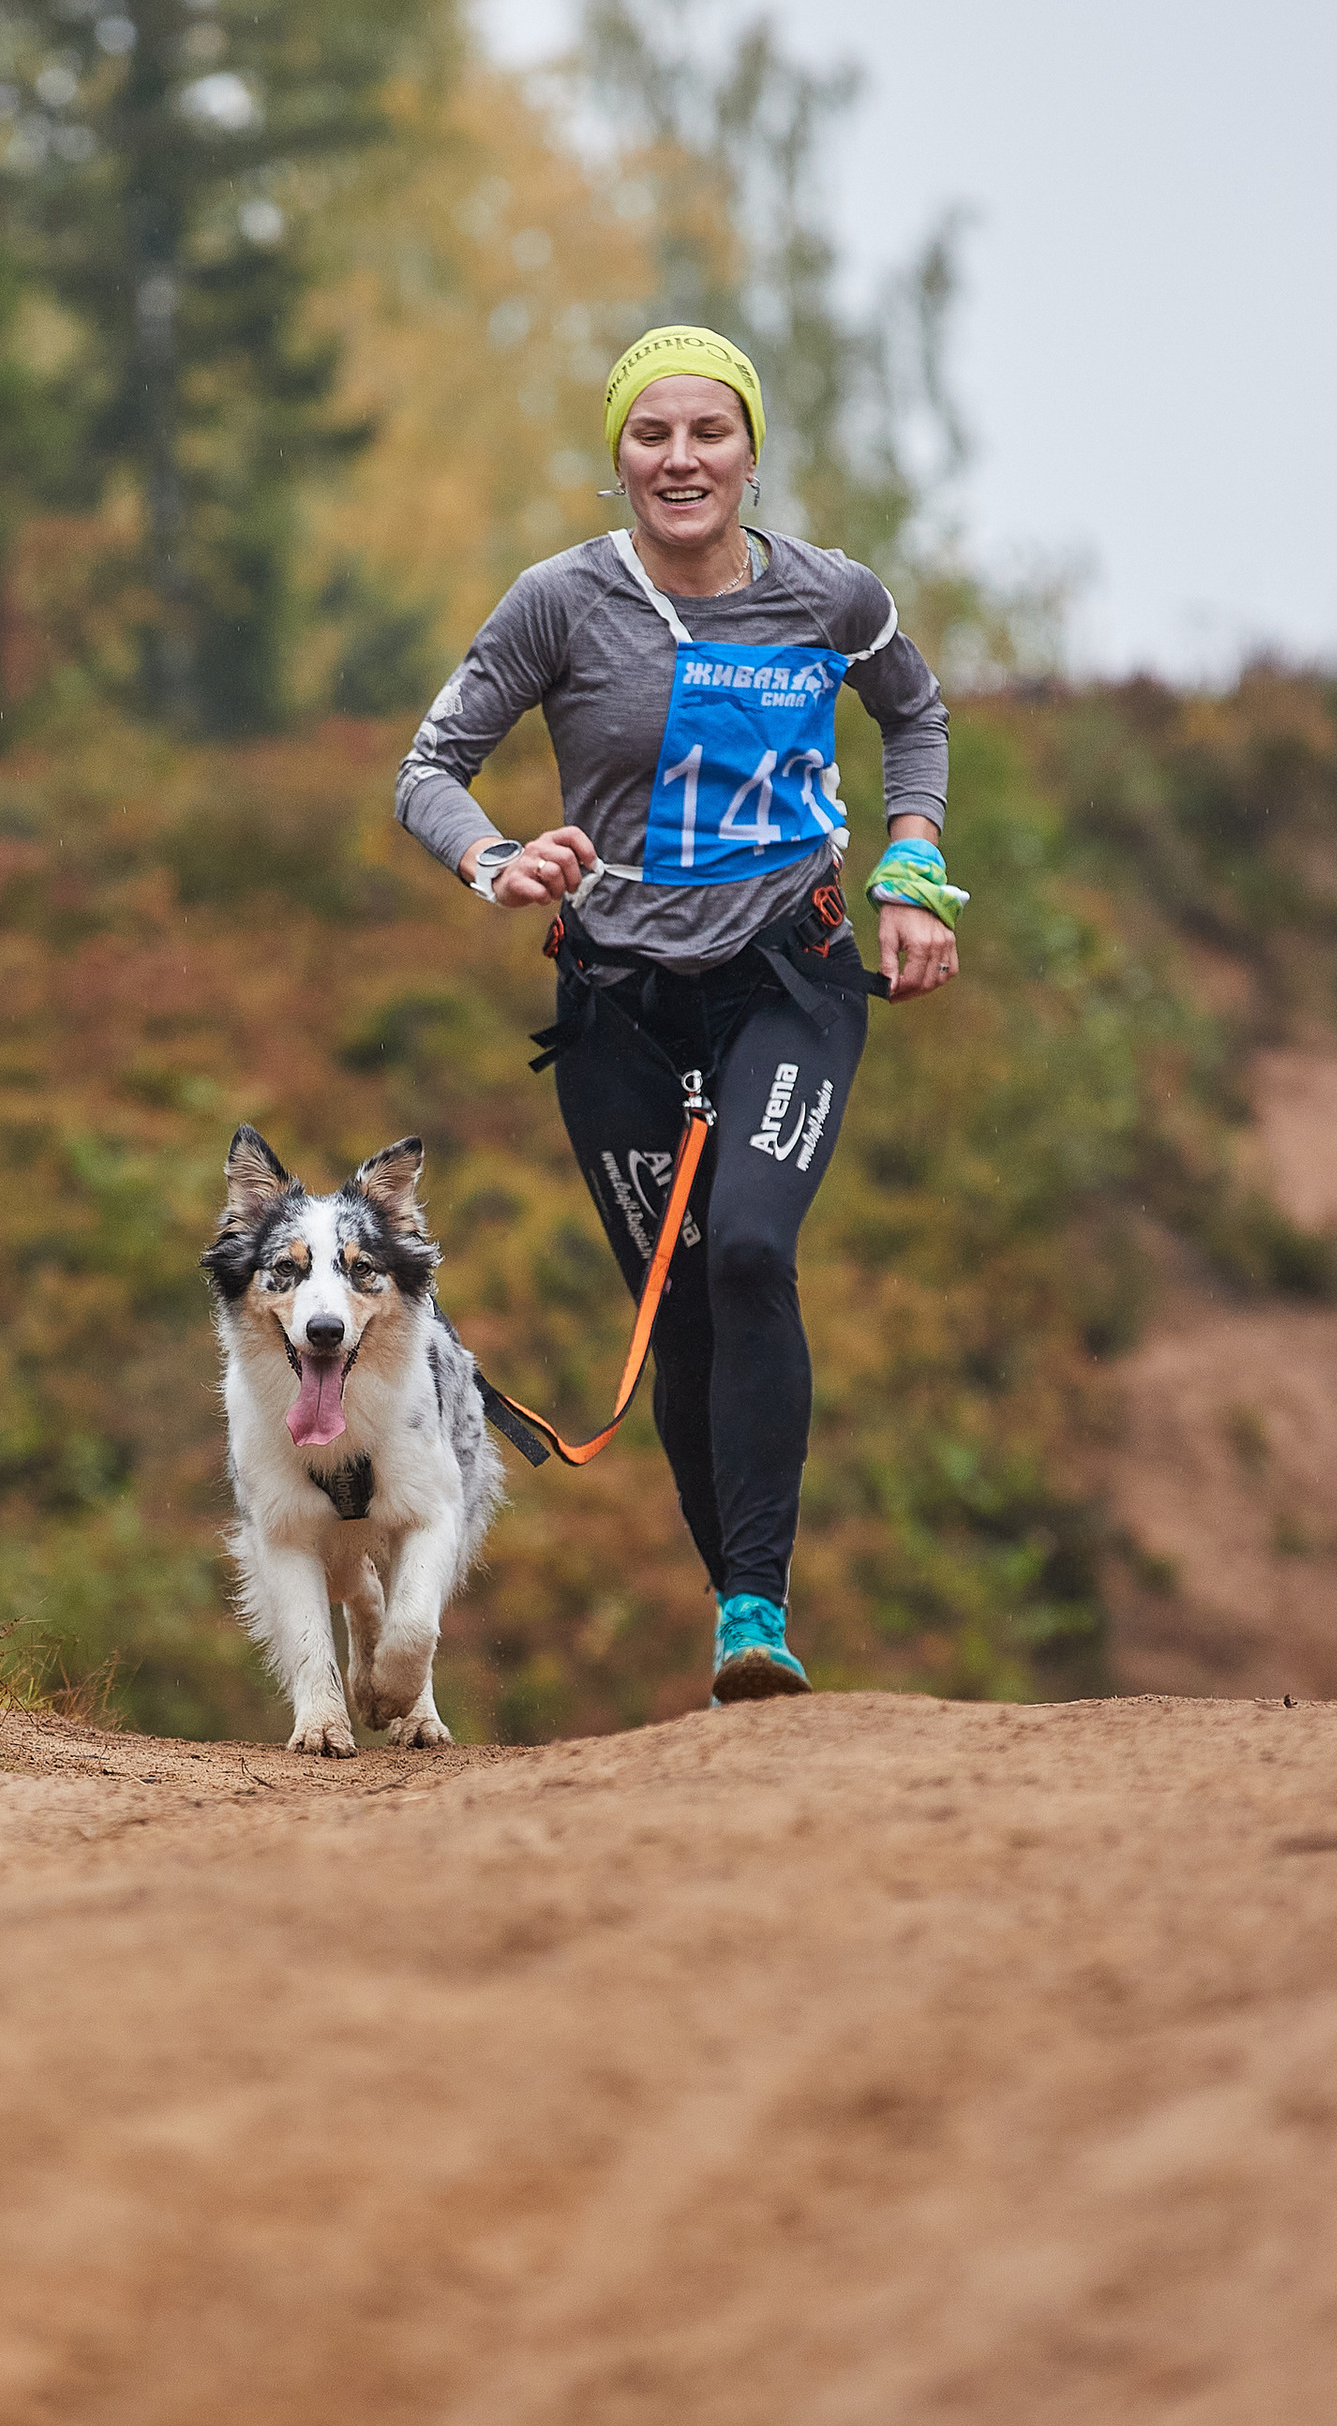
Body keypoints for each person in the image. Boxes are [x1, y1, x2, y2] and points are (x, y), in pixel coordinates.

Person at [394, 323, 963, 1707]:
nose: (681, 458)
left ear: (752, 450)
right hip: (619, 1007)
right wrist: (495, 859)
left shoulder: (830, 598)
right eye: (651, 435)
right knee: (686, 1312)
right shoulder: (558, 604)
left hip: (790, 974)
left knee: (753, 1255)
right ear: (618, 459)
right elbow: (430, 768)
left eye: (708, 431)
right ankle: (742, 1622)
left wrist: (914, 864)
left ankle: (759, 1603)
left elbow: (918, 716)